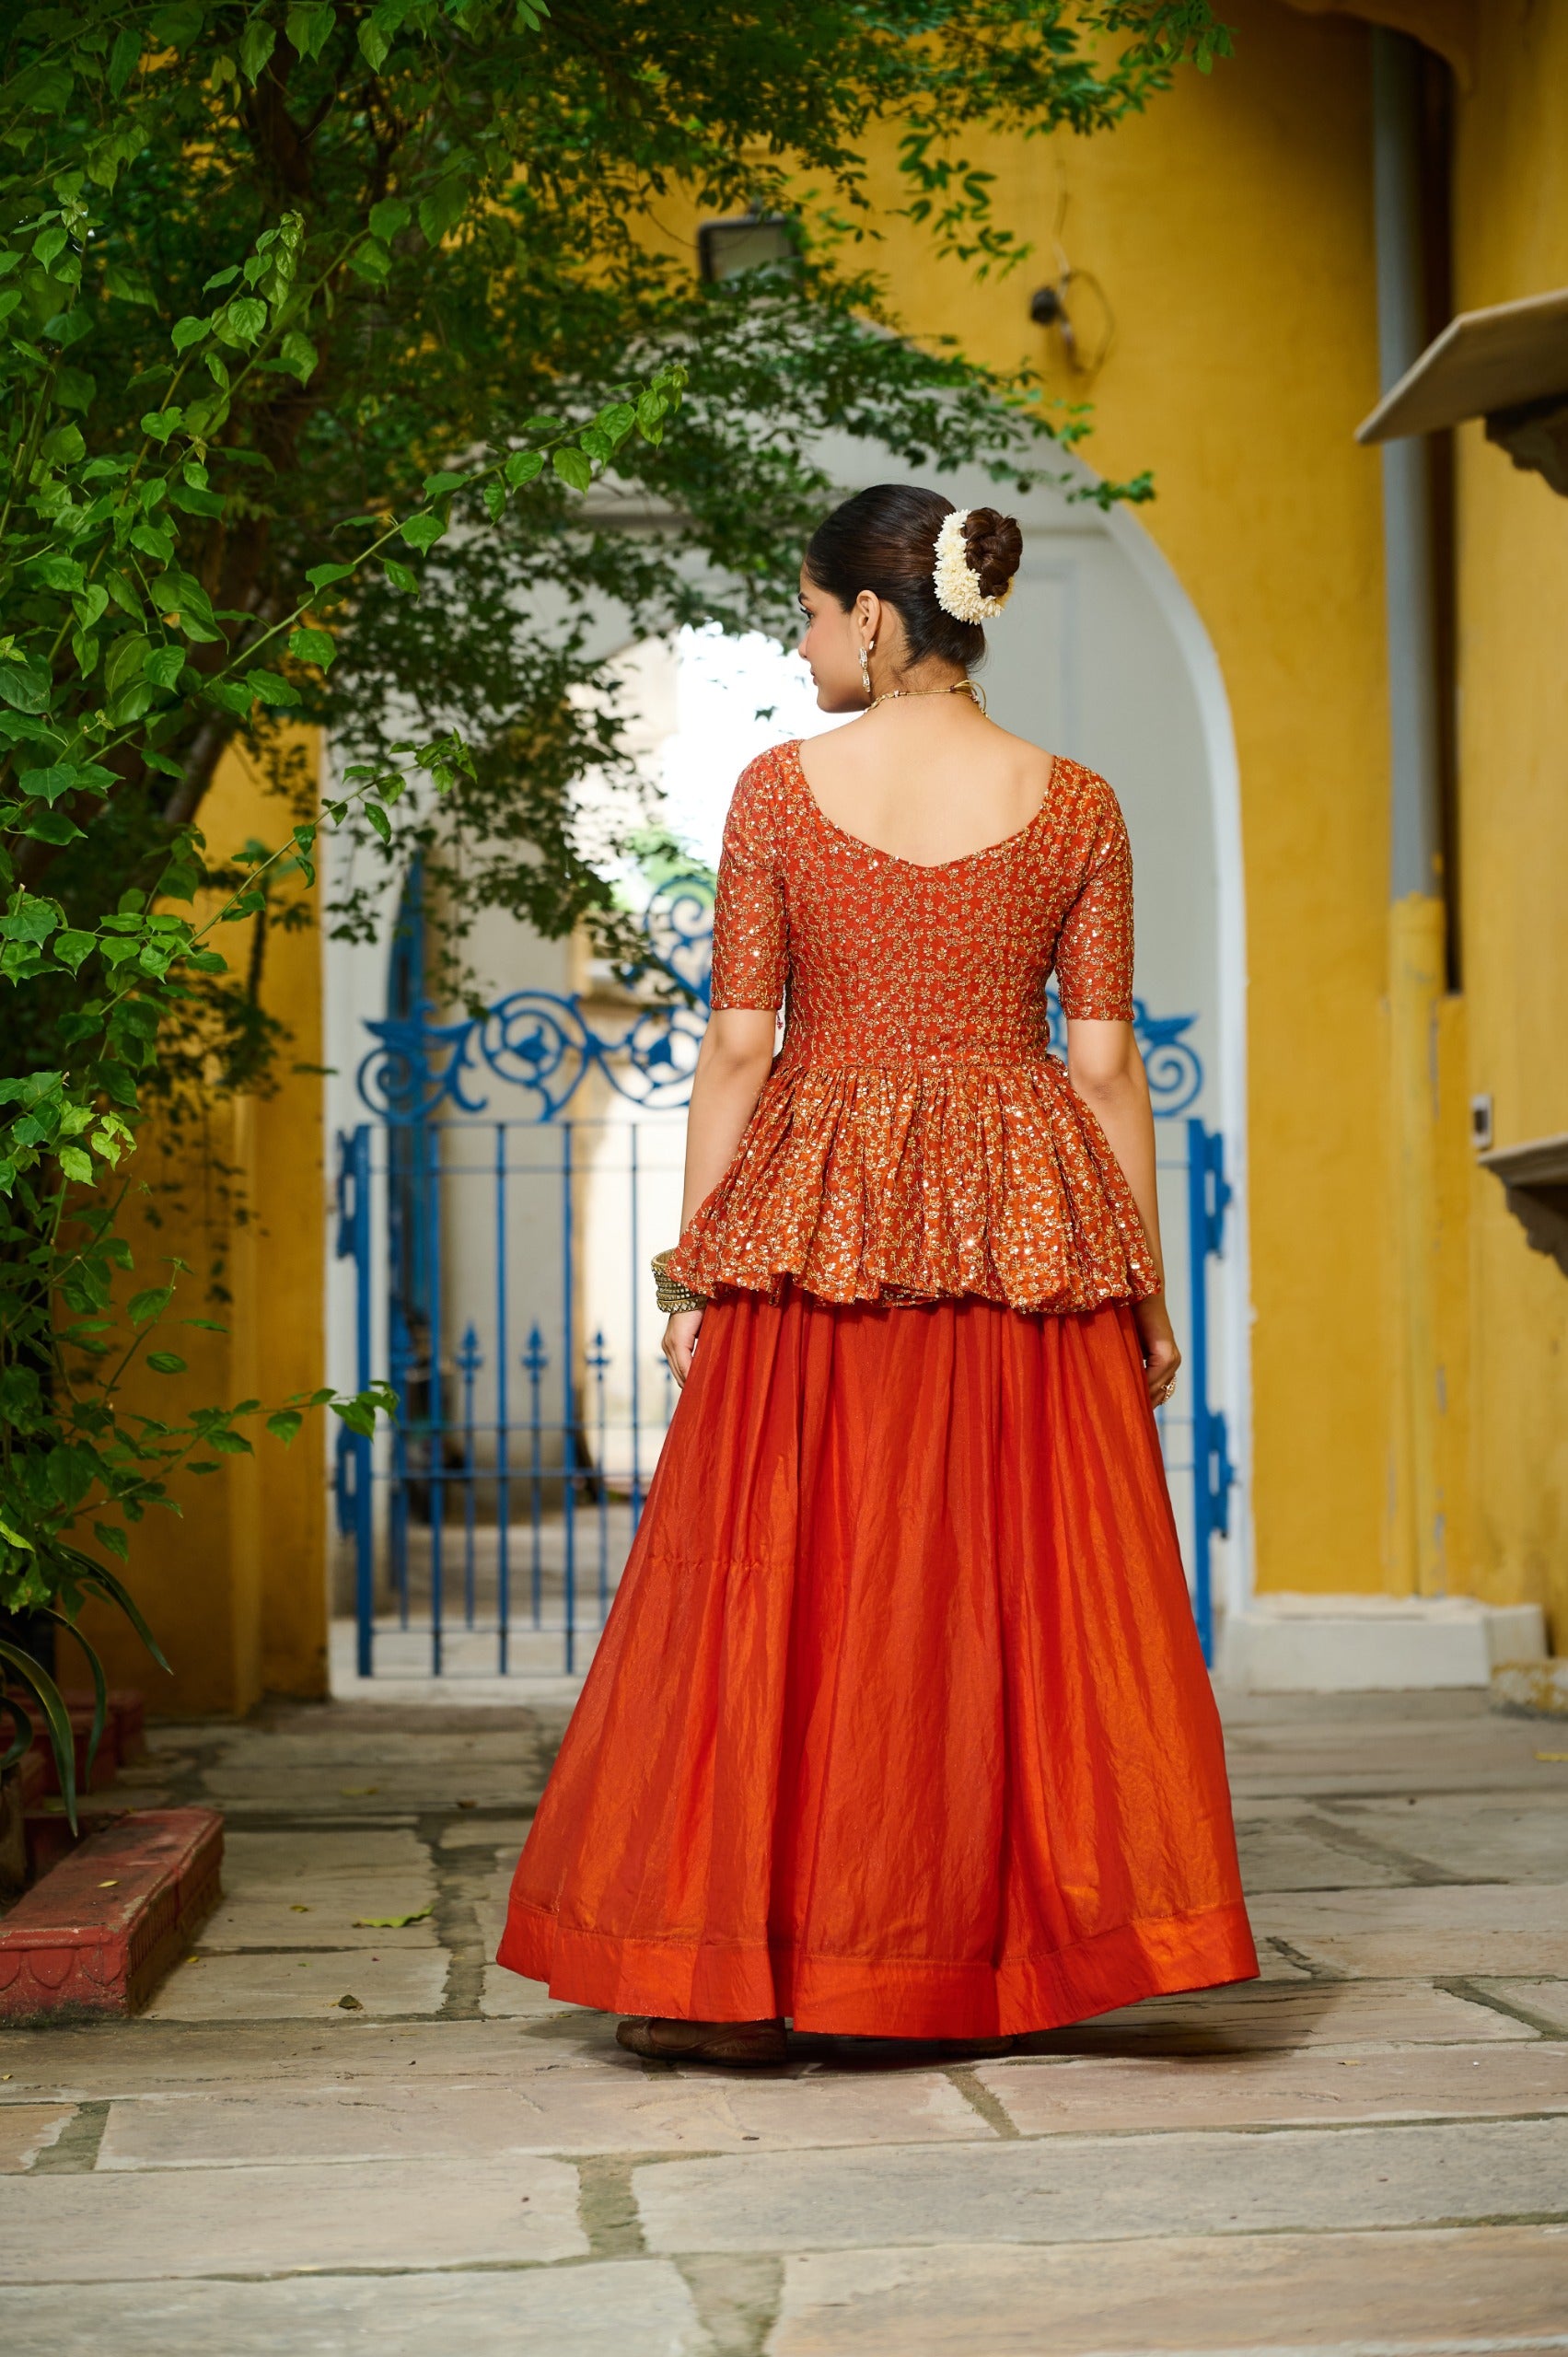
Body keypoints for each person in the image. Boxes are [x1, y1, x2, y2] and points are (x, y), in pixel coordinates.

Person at [496, 484, 1258, 2064]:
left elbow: (733, 1047)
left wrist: (695, 1271)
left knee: (795, 1578)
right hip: (1024, 1218)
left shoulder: (777, 792)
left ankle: (754, 1971)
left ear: (878, 618)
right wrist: (1147, 1281)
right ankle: (986, 1957)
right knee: (1003, 1593)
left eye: (809, 612)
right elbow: (1106, 1064)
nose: (802, 639)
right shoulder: (1079, 805)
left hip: (817, 1213)